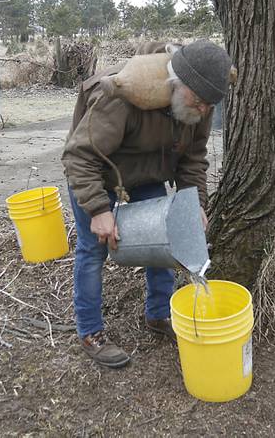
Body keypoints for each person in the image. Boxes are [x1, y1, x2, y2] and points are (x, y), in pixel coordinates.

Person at [61, 39, 232, 368]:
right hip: (96, 175)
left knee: (168, 241)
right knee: (93, 250)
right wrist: (98, 209)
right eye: (198, 102)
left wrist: (194, 202)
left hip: (144, 175)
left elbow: (193, 159)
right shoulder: (120, 96)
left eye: (209, 106)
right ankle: (90, 332)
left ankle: (159, 314)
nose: (203, 112)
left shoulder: (199, 103)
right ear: (176, 85)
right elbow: (79, 157)